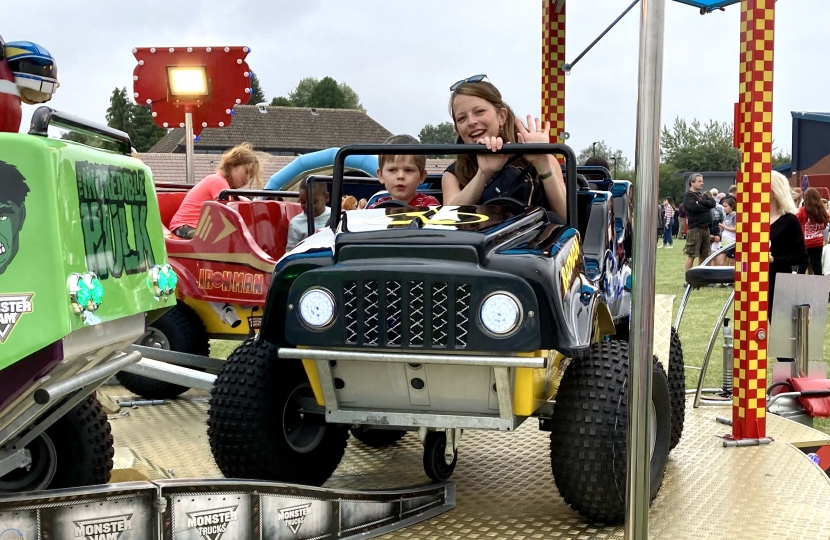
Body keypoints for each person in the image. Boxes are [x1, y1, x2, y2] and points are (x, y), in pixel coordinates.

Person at [442, 76, 566, 219]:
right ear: (457, 129)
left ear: (501, 116)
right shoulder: (454, 174)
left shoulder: (543, 159)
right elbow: (448, 220)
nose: (471, 122)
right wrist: (483, 174)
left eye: (479, 111)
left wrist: (542, 164)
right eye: (462, 118)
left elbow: (568, 217)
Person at [168, 142, 261, 238]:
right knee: (225, 240)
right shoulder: (218, 181)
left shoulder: (230, 191)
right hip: (185, 228)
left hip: (195, 228)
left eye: (251, 176)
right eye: (246, 172)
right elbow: (226, 213)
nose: (247, 178)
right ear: (233, 165)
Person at [769, 170, 807, 319]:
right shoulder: (754, 218)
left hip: (778, 284)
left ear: (774, 191)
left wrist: (774, 260)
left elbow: (801, 256)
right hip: (752, 283)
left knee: (780, 332)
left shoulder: (789, 221)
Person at [368, 138, 440, 209]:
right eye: (392, 170)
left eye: (408, 170)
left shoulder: (429, 206)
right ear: (381, 175)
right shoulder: (375, 208)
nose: (400, 176)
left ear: (421, 176)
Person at [683, 173, 716, 272]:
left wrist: (701, 203)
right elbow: (693, 207)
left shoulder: (702, 195)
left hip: (706, 228)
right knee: (692, 254)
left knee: (704, 254)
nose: (702, 183)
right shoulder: (688, 195)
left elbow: (712, 204)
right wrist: (705, 205)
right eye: (699, 181)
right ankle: (688, 279)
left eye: (702, 181)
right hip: (695, 228)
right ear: (692, 183)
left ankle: (700, 277)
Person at [286, 182, 331, 251]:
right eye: (303, 202)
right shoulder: (296, 223)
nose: (308, 206)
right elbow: (290, 252)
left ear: (326, 197)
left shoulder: (336, 216)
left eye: (313, 202)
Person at [796, 187, 830, 275]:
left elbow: (797, 224)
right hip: (818, 242)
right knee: (817, 266)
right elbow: (824, 226)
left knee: (802, 266)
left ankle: (799, 285)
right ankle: (820, 287)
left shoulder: (802, 211)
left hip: (805, 243)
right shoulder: (822, 210)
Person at [716, 196, 737, 267]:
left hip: (732, 243)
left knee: (732, 263)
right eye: (723, 206)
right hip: (724, 243)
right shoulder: (726, 216)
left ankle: (732, 278)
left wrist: (725, 227)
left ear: (731, 207)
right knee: (720, 263)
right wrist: (722, 228)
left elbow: (736, 229)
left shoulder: (735, 216)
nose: (724, 208)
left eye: (726, 206)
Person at [709, 188, 725, 255]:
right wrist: (707, 235)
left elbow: (723, 222)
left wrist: (719, 234)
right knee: (707, 256)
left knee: (715, 255)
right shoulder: (703, 208)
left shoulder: (720, 207)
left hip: (717, 235)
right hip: (707, 235)